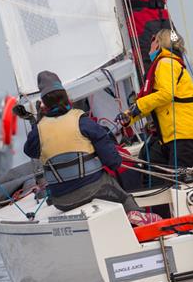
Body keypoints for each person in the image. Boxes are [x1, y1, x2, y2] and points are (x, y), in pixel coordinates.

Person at [23, 71, 142, 214]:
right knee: (124, 197)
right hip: (95, 190)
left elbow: (30, 151)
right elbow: (113, 161)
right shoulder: (82, 121)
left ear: (44, 104)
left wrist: (38, 122)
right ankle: (139, 220)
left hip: (61, 201)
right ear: (66, 97)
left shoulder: (39, 129)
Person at [118, 29, 193, 169]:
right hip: (186, 135)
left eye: (152, 41)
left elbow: (166, 94)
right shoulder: (171, 62)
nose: (149, 46)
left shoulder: (165, 63)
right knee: (153, 161)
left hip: (186, 136)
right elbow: (156, 100)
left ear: (158, 43)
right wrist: (129, 117)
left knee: (181, 181)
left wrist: (136, 107)